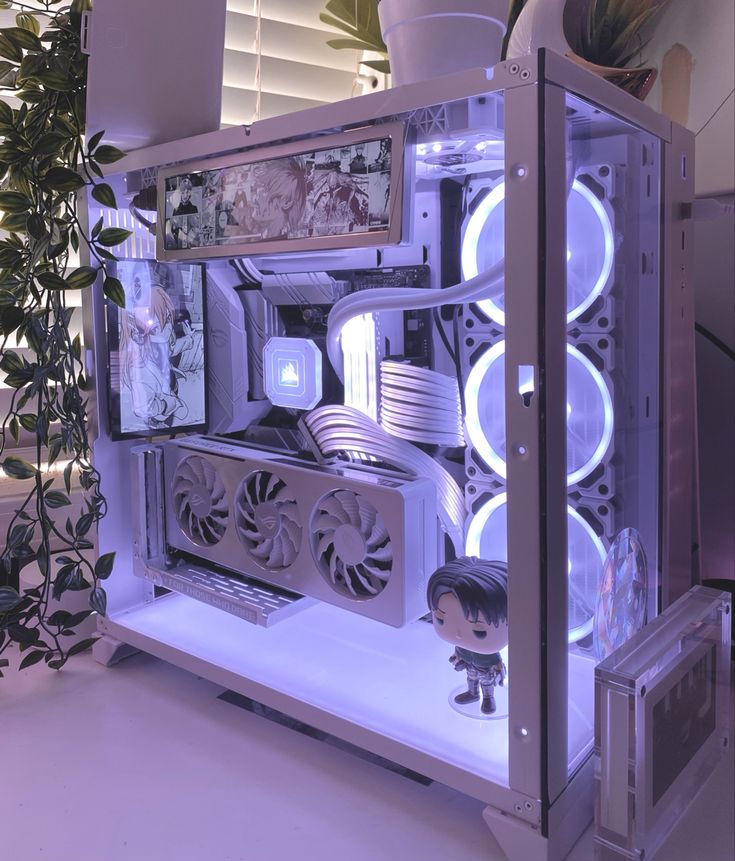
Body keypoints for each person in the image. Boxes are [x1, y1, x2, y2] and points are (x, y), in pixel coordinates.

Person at [427, 557, 508, 715]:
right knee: (471, 678)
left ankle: (488, 698)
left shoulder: (490, 653)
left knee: (486, 682)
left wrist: (498, 670)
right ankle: (472, 693)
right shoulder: (462, 646)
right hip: (469, 664)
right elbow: (458, 651)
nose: (458, 634)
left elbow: (497, 664)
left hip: (485, 667)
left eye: (479, 631)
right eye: (440, 619)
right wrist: (456, 657)